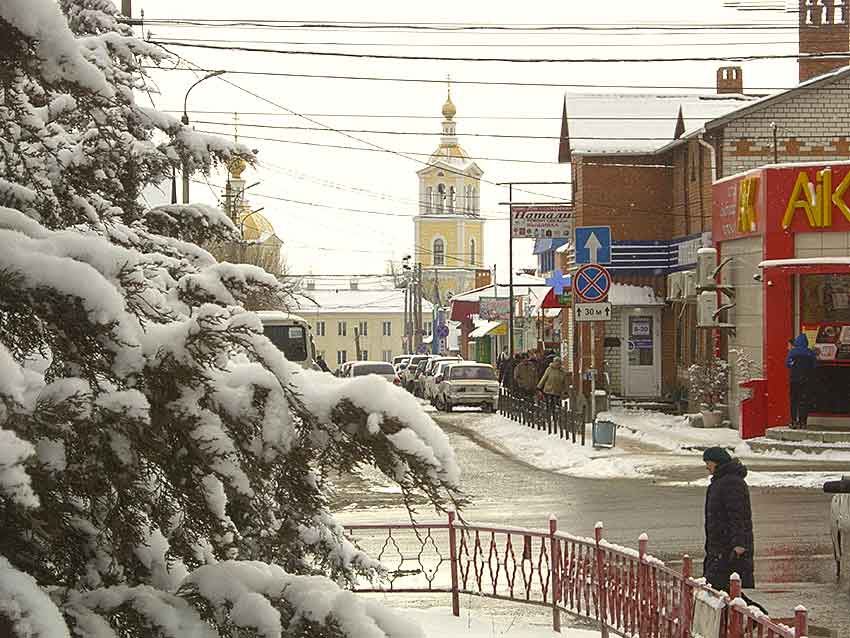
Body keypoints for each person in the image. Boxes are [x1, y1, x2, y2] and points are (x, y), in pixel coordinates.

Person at [702, 447, 767, 614]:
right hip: (720, 546)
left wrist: (739, 544)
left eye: (707, 463)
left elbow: (738, 516)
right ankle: (747, 620)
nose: (706, 467)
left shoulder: (731, 483)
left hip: (728, 548)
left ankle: (758, 617)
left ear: (715, 462)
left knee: (724, 588)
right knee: (721, 589)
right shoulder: (722, 481)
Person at [786, 333, 817, 429]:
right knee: (804, 401)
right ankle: (803, 422)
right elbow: (815, 365)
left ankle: (793, 421)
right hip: (806, 381)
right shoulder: (810, 353)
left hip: (794, 380)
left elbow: (788, 364)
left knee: (794, 401)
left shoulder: (792, 352)